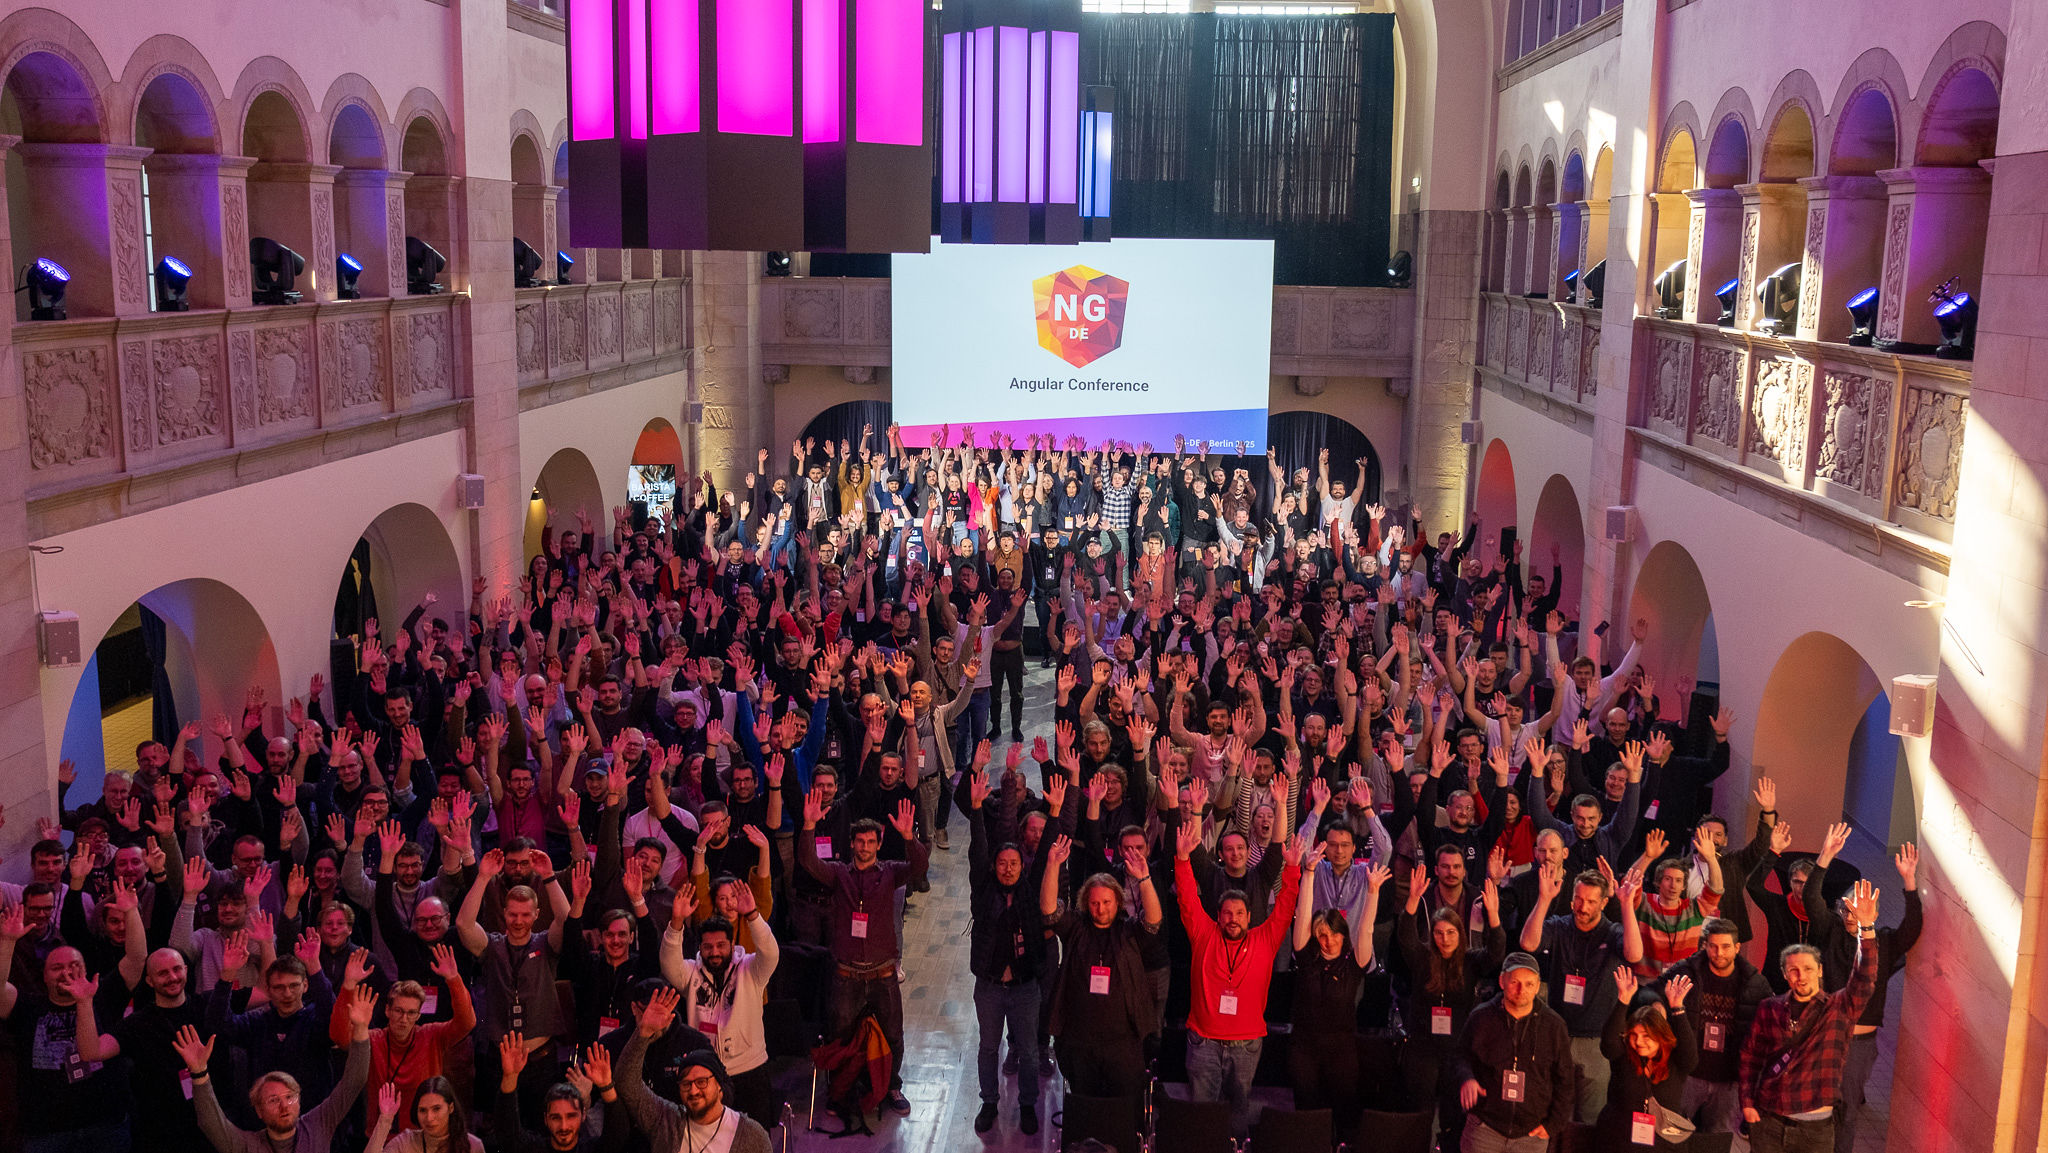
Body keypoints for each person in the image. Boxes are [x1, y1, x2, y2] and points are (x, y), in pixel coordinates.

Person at [797, 792, 927, 1114]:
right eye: (860, 842)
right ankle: (841, 1090)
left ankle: (892, 1087)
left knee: (894, 1035)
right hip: (846, 976)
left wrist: (910, 837)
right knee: (839, 1035)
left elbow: (920, 865)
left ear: (879, 845)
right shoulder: (839, 874)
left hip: (883, 974)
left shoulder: (891, 872)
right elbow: (809, 862)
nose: (865, 847)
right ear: (852, 844)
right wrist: (809, 826)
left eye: (871, 842)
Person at [1173, 819, 1304, 1134]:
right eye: (1227, 914)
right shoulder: (1204, 934)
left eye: (1240, 914)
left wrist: (1293, 870)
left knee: (1238, 1109)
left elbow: (1285, 908)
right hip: (1203, 1040)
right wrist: (1181, 860)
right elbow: (1188, 899)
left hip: (1246, 1043)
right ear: (1218, 916)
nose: (1233, 919)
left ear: (1250, 916)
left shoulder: (1265, 938)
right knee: (1201, 1112)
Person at [1738, 880, 1883, 1153]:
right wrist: (1746, 1102)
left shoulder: (1839, 1007)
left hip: (1815, 1129)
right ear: (1784, 974)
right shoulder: (1770, 1008)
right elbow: (1750, 1057)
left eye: (1807, 968)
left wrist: (1867, 929)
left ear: (1819, 970)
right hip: (1769, 1122)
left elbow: (1865, 977)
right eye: (1793, 970)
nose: (1800, 975)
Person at [1516, 859, 1646, 1120]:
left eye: (1590, 901)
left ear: (1602, 903)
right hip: (1557, 1033)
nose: (1582, 907)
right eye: (1578, 899)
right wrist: (1543, 899)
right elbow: (1528, 943)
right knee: (1551, 1113)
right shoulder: (1560, 925)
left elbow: (1634, 954)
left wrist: (1626, 905)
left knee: (1589, 1118)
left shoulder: (1612, 931)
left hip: (1596, 1040)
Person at [177, 985, 376, 1153]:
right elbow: (210, 1123)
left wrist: (360, 1030)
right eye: (273, 1100)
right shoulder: (247, 1145)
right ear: (258, 1110)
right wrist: (199, 1073)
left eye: (290, 1097)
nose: (284, 1106)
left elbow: (354, 1081)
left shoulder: (318, 1123)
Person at [1040, 833, 1162, 1102]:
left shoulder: (1128, 931)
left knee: (1124, 1107)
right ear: (1086, 903)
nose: (1100, 908)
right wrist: (1052, 865)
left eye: (1106, 902)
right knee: (1086, 1104)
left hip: (1123, 1044)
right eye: (1094, 902)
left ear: (1117, 902)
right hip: (1080, 1042)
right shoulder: (1075, 927)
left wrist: (1144, 879)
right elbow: (1049, 911)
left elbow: (1153, 921)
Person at [960, 761, 1047, 1135]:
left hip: (1026, 987)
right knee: (988, 1048)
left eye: (1014, 863)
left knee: (1028, 1051)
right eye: (1002, 864)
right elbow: (980, 847)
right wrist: (977, 809)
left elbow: (1042, 856)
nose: (1009, 869)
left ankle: (1028, 1104)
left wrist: (1055, 813)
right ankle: (989, 1102)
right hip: (991, 987)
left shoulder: (1029, 892)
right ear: (994, 867)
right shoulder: (983, 891)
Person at [1399, 863, 1508, 1149]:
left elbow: (1496, 954)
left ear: (1460, 934)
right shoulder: (1423, 958)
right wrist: (1412, 901)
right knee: (1419, 1112)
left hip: (1457, 1051)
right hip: (1422, 1048)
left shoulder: (1471, 960)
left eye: (1450, 933)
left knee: (1453, 1115)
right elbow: (1406, 938)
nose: (1444, 939)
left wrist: (1494, 917)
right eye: (1438, 933)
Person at [659, 878, 781, 1125]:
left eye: (721, 945)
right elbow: (668, 964)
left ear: (732, 944)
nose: (714, 952)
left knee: (753, 1141)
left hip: (750, 1069)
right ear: (700, 948)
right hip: (706, 1071)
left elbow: (771, 953)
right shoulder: (691, 972)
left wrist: (753, 916)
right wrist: (676, 923)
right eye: (708, 947)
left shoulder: (750, 969)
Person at [1288, 844, 1387, 1131]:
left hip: (1341, 1047)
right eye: (1322, 935)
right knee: (1306, 1107)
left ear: (1343, 935)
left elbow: (1366, 928)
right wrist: (1308, 874)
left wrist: (1372, 891)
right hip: (1304, 1046)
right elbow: (1303, 915)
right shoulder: (1306, 957)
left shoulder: (1355, 961)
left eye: (1333, 934)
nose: (1328, 940)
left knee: (1343, 1109)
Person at [614, 988, 776, 1153]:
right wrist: (643, 1034)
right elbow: (625, 1083)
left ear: (719, 1086)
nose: (693, 1090)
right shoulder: (666, 1120)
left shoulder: (751, 1136)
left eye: (701, 1082)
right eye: (686, 1083)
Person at [1452, 951, 1575, 1152]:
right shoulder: (1481, 1017)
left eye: (1529, 984)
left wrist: (1553, 1125)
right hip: (1485, 1128)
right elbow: (1460, 1056)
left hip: (1530, 1135)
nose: (1521, 990)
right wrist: (1467, 1078)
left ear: (1537, 986)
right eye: (1515, 982)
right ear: (1502, 981)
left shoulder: (1554, 1025)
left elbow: (1566, 1080)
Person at [1656, 918, 1768, 1133]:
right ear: (1705, 945)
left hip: (1729, 1080)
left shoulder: (1755, 983)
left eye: (1726, 947)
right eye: (1713, 946)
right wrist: (1655, 1004)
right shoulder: (1688, 971)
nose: (1719, 953)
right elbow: (1650, 991)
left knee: (1717, 1143)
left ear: (1737, 948)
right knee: (1669, 1134)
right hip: (1688, 1074)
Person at [1594, 967, 1696, 1151]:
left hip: (1662, 1144)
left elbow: (1691, 1057)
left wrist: (1677, 1008)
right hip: (1619, 1143)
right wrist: (1623, 1000)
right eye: (1634, 1035)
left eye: (1646, 1036)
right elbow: (1608, 1043)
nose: (1639, 1042)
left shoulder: (1675, 1060)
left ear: (1661, 1036)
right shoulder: (1623, 1055)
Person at [363, 1075, 484, 1152]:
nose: (429, 1118)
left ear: (451, 1107)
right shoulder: (406, 1142)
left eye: (436, 1109)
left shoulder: (473, 1146)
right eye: (423, 1110)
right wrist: (385, 1119)